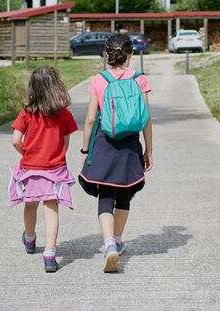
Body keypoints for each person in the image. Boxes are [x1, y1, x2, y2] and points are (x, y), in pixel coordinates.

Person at [79, 34, 153, 273]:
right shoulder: (140, 80)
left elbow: (91, 119)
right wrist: (149, 149)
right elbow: (146, 119)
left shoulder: (99, 80)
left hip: (104, 143)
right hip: (130, 145)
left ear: (106, 54)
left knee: (106, 196)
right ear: (130, 54)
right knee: (124, 196)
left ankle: (109, 243)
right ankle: (118, 240)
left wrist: (85, 150)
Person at [8, 66, 78, 273]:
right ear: (56, 87)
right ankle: (49, 254)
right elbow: (65, 144)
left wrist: (27, 154)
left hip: (30, 167)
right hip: (54, 168)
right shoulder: (64, 113)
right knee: (51, 209)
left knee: (30, 205)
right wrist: (54, 156)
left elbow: (15, 140)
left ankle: (29, 238)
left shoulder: (26, 112)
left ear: (33, 88)